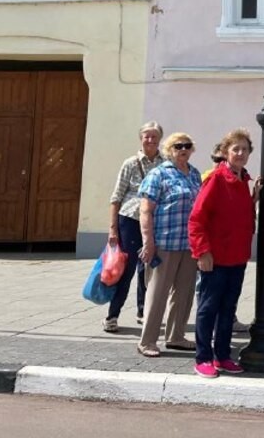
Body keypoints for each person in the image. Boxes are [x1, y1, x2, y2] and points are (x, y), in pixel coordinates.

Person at [188, 128, 256, 378]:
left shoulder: (244, 180)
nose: (240, 153)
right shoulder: (216, 179)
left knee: (228, 308)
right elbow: (197, 219)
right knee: (208, 308)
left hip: (237, 256)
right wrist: (202, 252)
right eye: (235, 149)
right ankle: (203, 357)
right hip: (214, 257)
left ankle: (223, 355)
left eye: (244, 149)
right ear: (226, 152)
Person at [137, 132, 201, 358]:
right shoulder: (159, 174)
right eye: (177, 146)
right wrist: (148, 242)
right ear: (169, 149)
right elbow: (145, 211)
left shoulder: (194, 174)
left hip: (188, 244)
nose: (182, 149)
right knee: (157, 293)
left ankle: (176, 336)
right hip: (164, 243)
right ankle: (147, 341)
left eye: (187, 145)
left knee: (183, 293)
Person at [103, 121, 164, 333]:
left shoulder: (165, 164)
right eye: (147, 136)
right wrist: (113, 229)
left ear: (160, 139)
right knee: (127, 268)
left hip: (154, 222)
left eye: (154, 136)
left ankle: (143, 312)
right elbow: (116, 196)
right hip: (129, 219)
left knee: (147, 268)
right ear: (141, 139)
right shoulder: (130, 163)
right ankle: (112, 315)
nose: (150, 140)